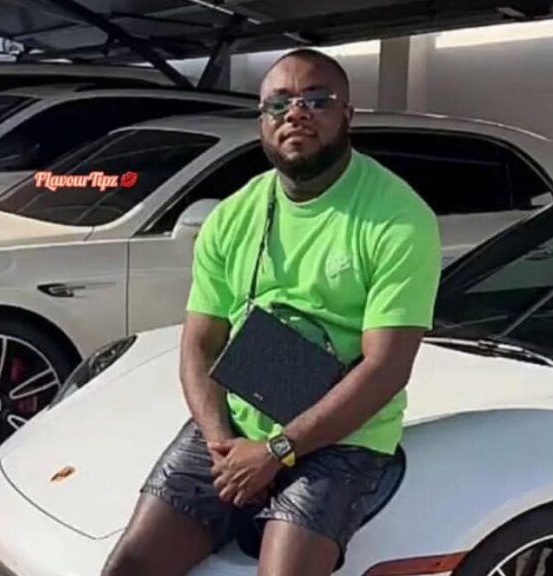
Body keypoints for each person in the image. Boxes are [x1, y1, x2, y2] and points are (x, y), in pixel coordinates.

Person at [102, 48, 442, 576]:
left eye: (316, 100)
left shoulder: (399, 219)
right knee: (129, 566)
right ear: (261, 120)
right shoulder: (232, 216)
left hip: (342, 438)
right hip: (237, 422)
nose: (296, 114)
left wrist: (276, 450)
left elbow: (386, 368)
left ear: (348, 114)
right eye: (278, 104)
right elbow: (200, 343)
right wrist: (222, 443)